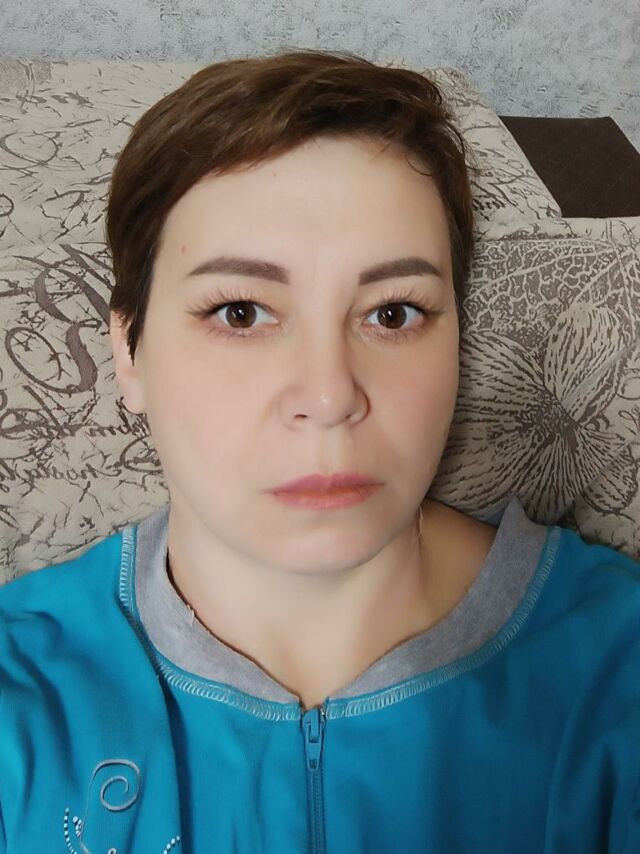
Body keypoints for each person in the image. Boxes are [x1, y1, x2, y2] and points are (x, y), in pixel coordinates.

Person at [0, 48, 638, 853]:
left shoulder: (617, 673)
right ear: (129, 355)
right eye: (240, 313)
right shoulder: (21, 695)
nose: (331, 394)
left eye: (394, 314)